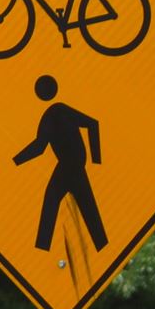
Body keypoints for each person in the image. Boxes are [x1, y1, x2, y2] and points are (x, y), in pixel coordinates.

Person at [13, 74, 107, 252]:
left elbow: (40, 146)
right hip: (74, 164)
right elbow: (92, 124)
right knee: (86, 205)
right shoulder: (57, 111)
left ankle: (42, 247)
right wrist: (93, 160)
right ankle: (101, 245)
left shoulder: (54, 113)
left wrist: (97, 160)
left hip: (69, 165)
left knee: (53, 200)